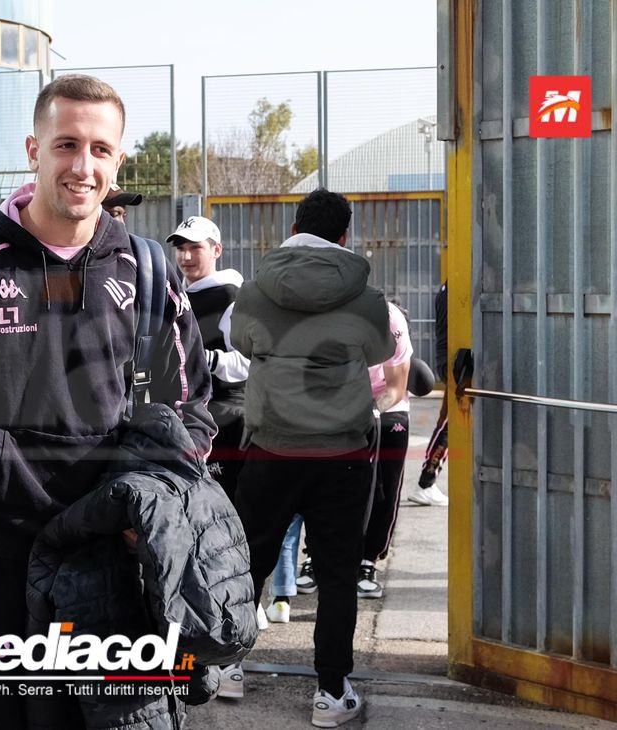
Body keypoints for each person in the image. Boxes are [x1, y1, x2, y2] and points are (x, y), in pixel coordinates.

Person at [0, 74, 215, 729]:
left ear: (118, 160)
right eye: (66, 144)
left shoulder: (148, 271)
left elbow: (193, 408)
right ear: (33, 149)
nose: (83, 166)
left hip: (111, 558)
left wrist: (155, 503)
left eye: (100, 150)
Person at [231, 188, 395, 728]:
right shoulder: (368, 299)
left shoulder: (255, 292)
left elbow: (242, 344)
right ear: (345, 234)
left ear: (294, 226)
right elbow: (380, 355)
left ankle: (227, 666)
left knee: (249, 559)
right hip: (342, 454)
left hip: (271, 448)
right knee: (338, 571)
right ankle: (330, 691)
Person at [166, 215, 253, 699]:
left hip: (226, 420)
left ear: (216, 249)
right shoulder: (179, 293)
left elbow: (245, 362)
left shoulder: (231, 297)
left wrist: (196, 359)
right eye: (180, 247)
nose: (185, 256)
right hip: (188, 422)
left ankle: (232, 643)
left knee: (223, 531)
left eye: (195, 247)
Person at [357, 300, 414, 598]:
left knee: (384, 484)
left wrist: (368, 411)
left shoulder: (389, 319)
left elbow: (396, 386)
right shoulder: (318, 312)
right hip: (337, 403)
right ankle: (316, 555)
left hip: (385, 404)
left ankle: (370, 559)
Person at [408, 281, 450, 506]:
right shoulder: (458, 283)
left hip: (450, 359)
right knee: (449, 423)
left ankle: (427, 482)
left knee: (449, 422)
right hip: (457, 362)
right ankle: (426, 482)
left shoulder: (449, 285)